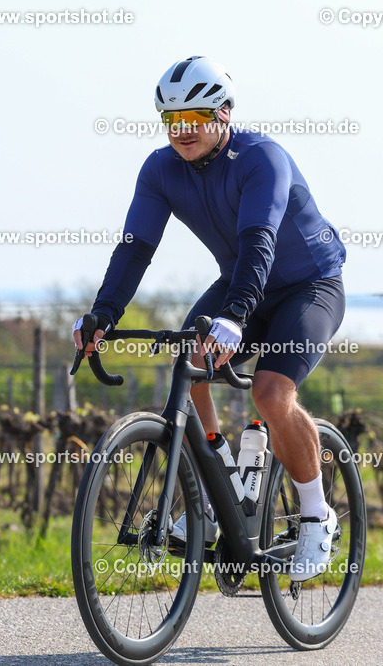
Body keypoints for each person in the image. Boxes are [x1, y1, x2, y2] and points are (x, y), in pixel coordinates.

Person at [72, 56, 346, 581]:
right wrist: (103, 314)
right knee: (190, 362)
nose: (182, 131)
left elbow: (259, 241)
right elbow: (135, 249)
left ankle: (316, 514)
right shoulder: (160, 170)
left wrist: (236, 316)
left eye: (194, 118)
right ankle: (216, 489)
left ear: (223, 113)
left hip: (307, 286)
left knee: (271, 393)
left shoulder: (262, 158)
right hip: (241, 279)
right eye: (171, 120)